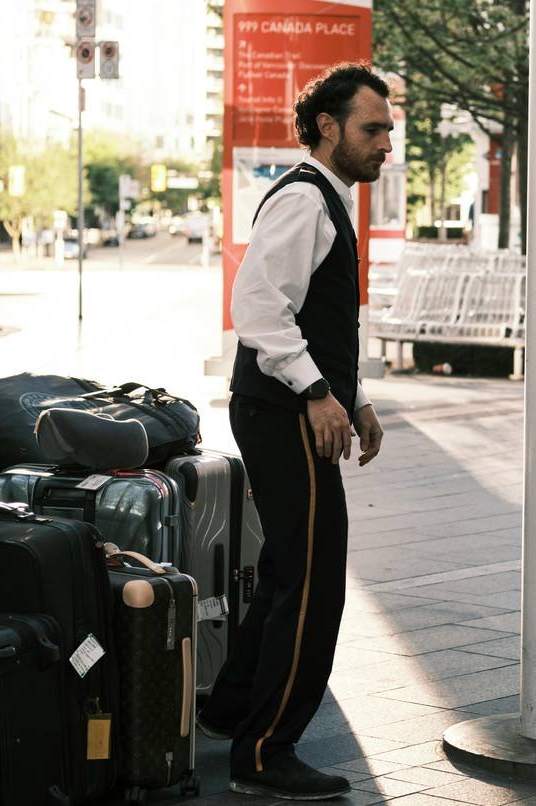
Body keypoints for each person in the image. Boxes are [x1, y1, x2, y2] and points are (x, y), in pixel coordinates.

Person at [196, 63, 391, 801]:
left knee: (288, 566)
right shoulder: (306, 198)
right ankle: (265, 752)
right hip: (282, 410)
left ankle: (232, 710)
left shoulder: (328, 200)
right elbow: (259, 305)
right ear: (329, 128)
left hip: (288, 405)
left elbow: (321, 320)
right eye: (372, 130)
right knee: (313, 581)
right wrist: (316, 393)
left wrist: (355, 397)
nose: (385, 144)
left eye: (388, 131)